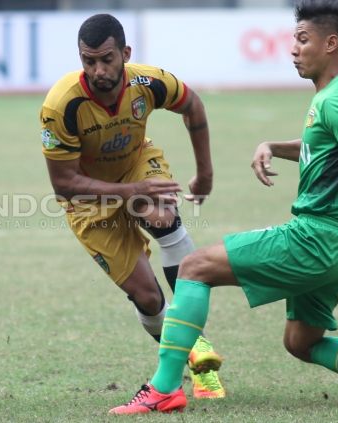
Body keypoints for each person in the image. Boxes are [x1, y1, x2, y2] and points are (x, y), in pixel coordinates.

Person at [110, 0, 338, 415]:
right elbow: (326, 147)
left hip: (316, 238)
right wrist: (272, 146)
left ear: (331, 44)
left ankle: (164, 389)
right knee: (302, 342)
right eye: (293, 40)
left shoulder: (336, 100)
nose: (293, 49)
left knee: (193, 268)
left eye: (303, 40)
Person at [40, 13, 225, 400]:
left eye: (106, 59)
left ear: (125, 53)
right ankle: (189, 357)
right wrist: (130, 191)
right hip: (88, 203)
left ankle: (199, 343)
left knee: (160, 213)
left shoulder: (149, 82)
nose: (98, 70)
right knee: (148, 298)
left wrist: (204, 173)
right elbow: (65, 183)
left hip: (137, 165)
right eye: (88, 61)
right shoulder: (62, 105)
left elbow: (193, 106)